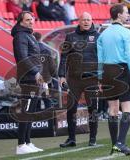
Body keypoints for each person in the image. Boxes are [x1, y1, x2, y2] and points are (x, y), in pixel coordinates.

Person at [97, 3, 130, 156]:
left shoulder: (102, 34)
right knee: (128, 108)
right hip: (122, 71)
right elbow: (129, 56)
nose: (128, 15)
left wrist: (100, 79)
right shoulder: (125, 32)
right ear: (119, 15)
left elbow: (100, 59)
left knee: (113, 109)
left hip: (107, 73)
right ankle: (121, 142)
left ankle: (114, 145)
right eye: (126, 12)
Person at [58, 12, 100, 147]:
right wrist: (61, 76)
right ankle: (71, 139)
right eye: (84, 20)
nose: (86, 22)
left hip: (92, 79)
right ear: (79, 21)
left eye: (89, 19)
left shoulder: (98, 37)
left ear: (92, 21)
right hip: (74, 79)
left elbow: (102, 59)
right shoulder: (70, 37)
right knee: (71, 109)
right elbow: (64, 57)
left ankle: (92, 139)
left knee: (92, 109)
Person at [11, 11, 43, 155]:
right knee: (26, 112)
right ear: (21, 21)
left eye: (32, 19)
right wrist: (35, 72)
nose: (31, 21)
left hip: (35, 79)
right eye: (28, 19)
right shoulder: (20, 36)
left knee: (31, 112)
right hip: (28, 79)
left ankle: (28, 142)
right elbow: (23, 58)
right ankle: (20, 144)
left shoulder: (28, 35)